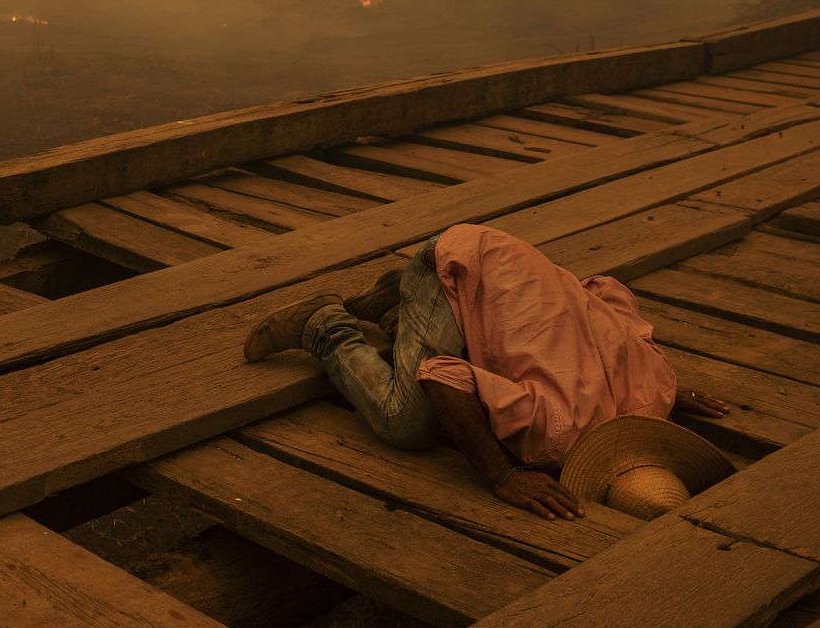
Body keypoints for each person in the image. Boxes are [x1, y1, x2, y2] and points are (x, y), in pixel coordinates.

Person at [242, 223, 729, 520]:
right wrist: (502, 475)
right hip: (457, 264)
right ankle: (324, 325)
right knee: (407, 423)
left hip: (501, 263)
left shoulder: (657, 387)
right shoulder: (556, 433)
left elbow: (605, 290)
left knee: (492, 357)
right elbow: (442, 377)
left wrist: (668, 392)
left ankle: (398, 309)